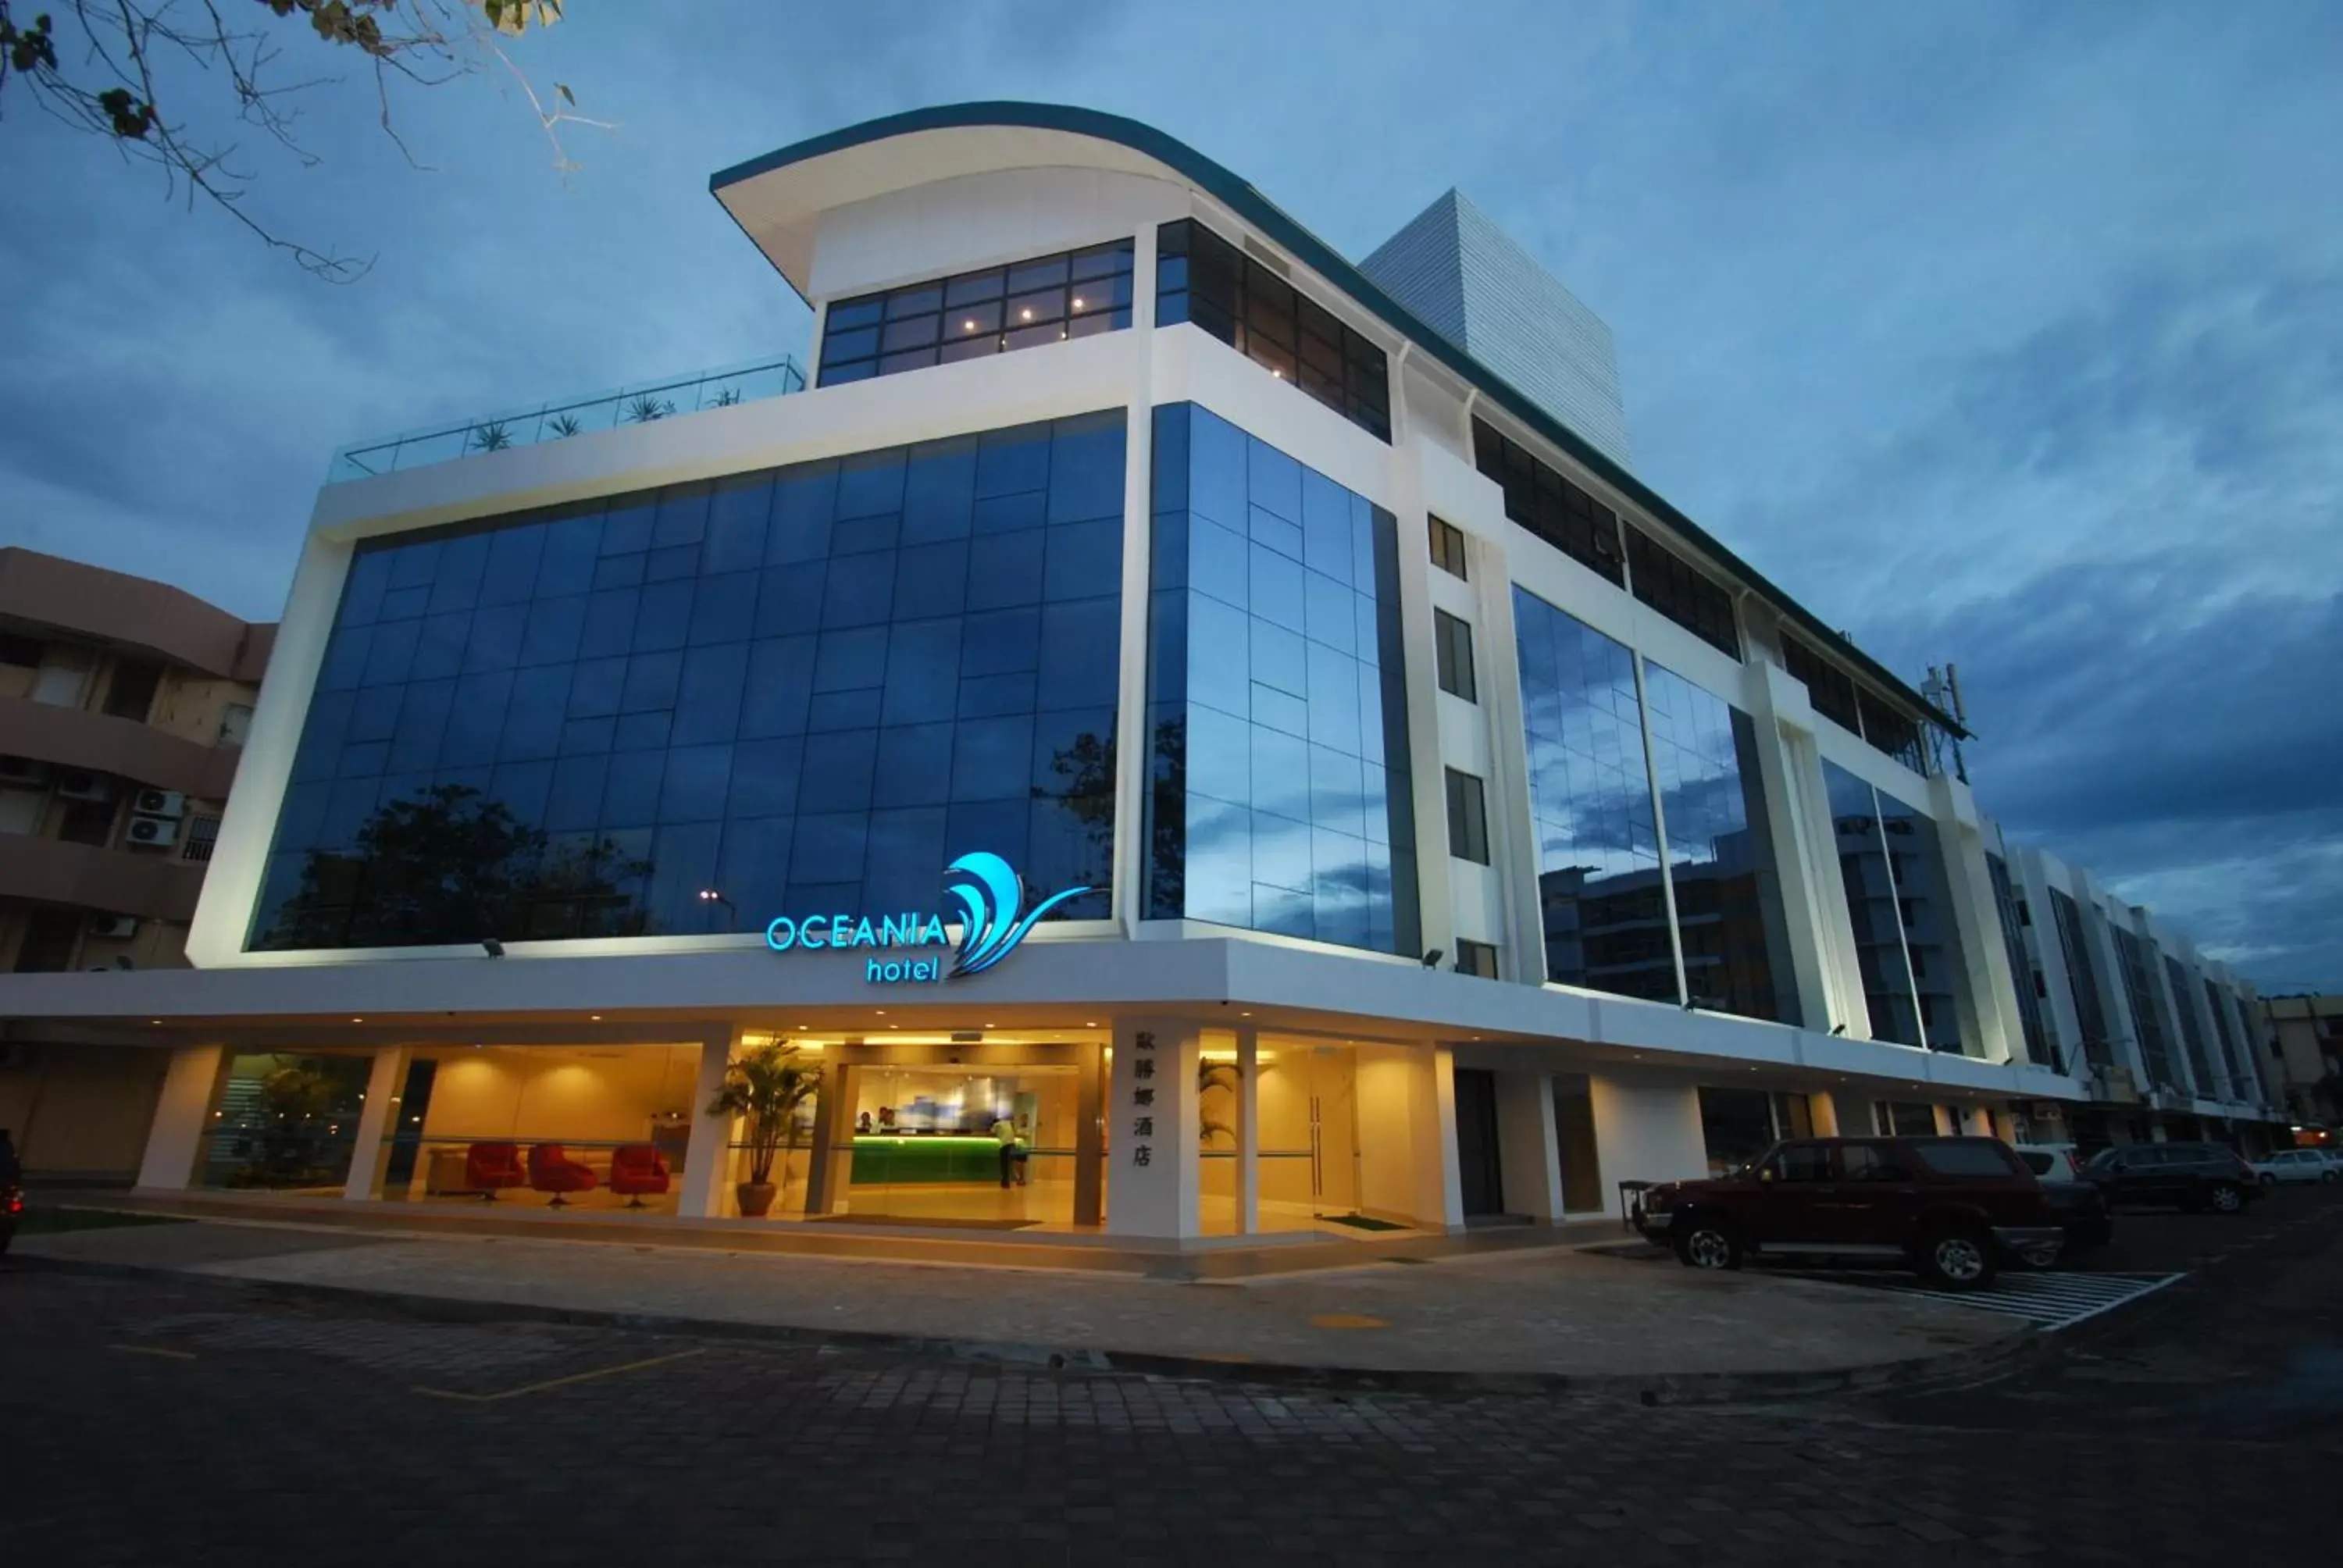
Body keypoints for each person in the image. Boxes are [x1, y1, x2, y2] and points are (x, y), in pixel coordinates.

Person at [991, 1114, 1019, 1188]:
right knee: (1010, 1164)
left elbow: (992, 1132)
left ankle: (1005, 1182)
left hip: (1005, 1145)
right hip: (1013, 1144)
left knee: (1004, 1165)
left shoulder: (996, 1125)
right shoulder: (1007, 1122)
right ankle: (1016, 1180)